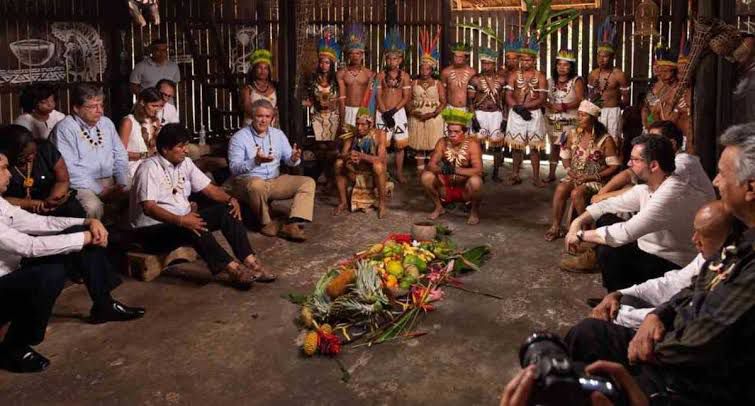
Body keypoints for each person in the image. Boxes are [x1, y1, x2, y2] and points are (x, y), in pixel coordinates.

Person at [564, 123, 755, 404]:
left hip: (689, 375)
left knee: (587, 355)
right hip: (673, 334)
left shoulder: (749, 264)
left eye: (723, 175)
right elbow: (690, 283)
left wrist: (642, 334)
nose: (715, 182)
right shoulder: (740, 239)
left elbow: (700, 340)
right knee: (586, 332)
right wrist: (652, 311)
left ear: (750, 188)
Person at [0, 152, 144, 373]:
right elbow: (29, 246)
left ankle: (103, 304)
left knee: (80, 233)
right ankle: (13, 347)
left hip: (14, 273)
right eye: (2, 168)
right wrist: (83, 238)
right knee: (50, 274)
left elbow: (39, 222)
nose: (9, 174)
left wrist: (87, 222)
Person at [562, 135, 712, 289]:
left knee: (608, 250)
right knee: (606, 218)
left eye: (635, 160)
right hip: (650, 250)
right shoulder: (650, 185)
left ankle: (620, 298)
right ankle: (619, 295)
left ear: (653, 165)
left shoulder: (671, 194)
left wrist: (580, 235)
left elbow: (625, 232)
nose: (629, 163)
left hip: (671, 264)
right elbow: (607, 205)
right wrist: (577, 222)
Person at [131, 124, 273, 286]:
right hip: (151, 232)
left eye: (186, 145)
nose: (186, 150)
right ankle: (233, 269)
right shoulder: (149, 168)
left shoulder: (185, 163)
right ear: (165, 149)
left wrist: (230, 199)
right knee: (192, 225)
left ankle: (251, 262)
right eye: (180, 146)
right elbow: (149, 208)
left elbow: (209, 189)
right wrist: (181, 220)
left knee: (227, 210)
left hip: (179, 222)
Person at [591, 200, 736, 329]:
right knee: (623, 299)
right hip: (672, 306)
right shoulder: (710, 255)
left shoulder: (735, 273)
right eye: (696, 232)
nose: (694, 239)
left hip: (690, 334)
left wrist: (621, 314)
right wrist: (619, 293)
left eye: (705, 235)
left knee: (591, 331)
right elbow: (675, 283)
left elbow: (688, 318)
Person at [228, 99, 313, 241]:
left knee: (308, 182)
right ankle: (266, 224)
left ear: (272, 118)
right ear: (252, 116)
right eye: (260, 116)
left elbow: (289, 160)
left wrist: (293, 158)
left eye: (267, 116)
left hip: (274, 180)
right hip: (247, 182)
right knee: (257, 184)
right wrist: (255, 161)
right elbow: (234, 169)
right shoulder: (239, 138)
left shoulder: (278, 134)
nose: (263, 120)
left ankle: (293, 223)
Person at [51, 84, 129, 220]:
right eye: (93, 107)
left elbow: (120, 155)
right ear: (76, 108)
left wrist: (121, 182)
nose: (100, 111)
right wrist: (100, 190)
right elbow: (69, 170)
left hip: (112, 179)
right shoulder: (65, 128)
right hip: (80, 184)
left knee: (139, 191)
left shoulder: (106, 123)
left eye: (101, 105)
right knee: (93, 207)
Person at [545, 101, 620, 242]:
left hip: (595, 179)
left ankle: (585, 230)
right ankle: (556, 226)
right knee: (561, 189)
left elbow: (614, 166)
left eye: (583, 115)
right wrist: (570, 171)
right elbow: (565, 156)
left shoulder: (605, 139)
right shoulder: (572, 134)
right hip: (575, 176)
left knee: (577, 193)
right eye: (578, 114)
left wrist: (591, 176)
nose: (579, 118)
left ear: (593, 118)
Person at [592, 120, 715, 204]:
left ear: (672, 144)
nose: (648, 145)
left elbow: (649, 189)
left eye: (654, 140)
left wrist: (604, 197)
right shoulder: (660, 159)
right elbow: (630, 173)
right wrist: (603, 192)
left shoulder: (682, 163)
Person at [0, 125, 85, 218]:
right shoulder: (3, 164)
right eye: (23, 156)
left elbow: (62, 180)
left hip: (51, 202)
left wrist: (52, 200)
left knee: (73, 210)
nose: (31, 157)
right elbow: (2, 199)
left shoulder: (46, 149)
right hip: (18, 209)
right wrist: (33, 204)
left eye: (33, 152)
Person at [421, 108, 483, 225]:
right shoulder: (442, 142)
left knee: (476, 182)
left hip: (465, 189)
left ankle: (474, 211)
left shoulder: (473, 144)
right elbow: (431, 165)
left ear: (464, 132)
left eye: (456, 131)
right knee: (426, 176)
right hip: (445, 188)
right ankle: (439, 207)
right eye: (449, 131)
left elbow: (479, 170)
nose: (452, 134)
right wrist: (442, 169)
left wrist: (455, 170)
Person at [504, 36, 548, 187]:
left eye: (528, 60)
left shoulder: (540, 76)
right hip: (517, 114)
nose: (525, 63)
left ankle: (536, 178)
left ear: (534, 60)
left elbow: (542, 98)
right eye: (522, 60)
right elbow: (508, 95)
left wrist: (526, 107)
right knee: (517, 147)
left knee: (535, 148)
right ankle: (515, 174)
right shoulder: (514, 75)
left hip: (534, 115)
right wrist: (517, 108)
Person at [333, 107, 388, 218]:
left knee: (378, 166)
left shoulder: (380, 134)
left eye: (363, 124)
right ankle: (343, 202)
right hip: (356, 171)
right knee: (338, 163)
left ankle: (382, 204)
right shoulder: (352, 134)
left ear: (370, 124)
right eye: (357, 124)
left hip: (372, 172)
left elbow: (381, 159)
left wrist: (362, 156)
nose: (359, 127)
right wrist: (349, 155)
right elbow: (342, 154)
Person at [376, 28, 412, 183]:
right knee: (382, 145)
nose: (392, 62)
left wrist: (393, 111)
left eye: (395, 59)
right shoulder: (380, 76)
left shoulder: (405, 76)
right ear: (386, 59)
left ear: (400, 59)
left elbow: (406, 97)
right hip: (382, 112)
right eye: (389, 59)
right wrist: (385, 112)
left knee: (400, 146)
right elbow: (378, 95)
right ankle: (382, 172)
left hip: (398, 113)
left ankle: (399, 173)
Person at [641, 42, 692, 152]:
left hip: (683, 140)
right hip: (663, 138)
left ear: (674, 71)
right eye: (660, 70)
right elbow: (650, 114)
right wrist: (650, 127)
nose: (661, 74)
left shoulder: (685, 91)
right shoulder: (659, 90)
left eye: (665, 71)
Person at [544, 49, 585, 183]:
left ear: (571, 67)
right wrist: (550, 106)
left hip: (570, 120)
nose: (562, 67)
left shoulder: (576, 80)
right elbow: (542, 98)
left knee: (569, 146)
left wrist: (563, 106)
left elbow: (580, 99)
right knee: (555, 146)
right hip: (553, 120)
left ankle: (573, 175)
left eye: (566, 65)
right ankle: (551, 174)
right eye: (559, 64)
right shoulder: (550, 81)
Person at [407, 28, 445, 174]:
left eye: (427, 69)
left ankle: (432, 169)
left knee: (433, 144)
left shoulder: (438, 84)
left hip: (434, 117)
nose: (424, 72)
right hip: (416, 115)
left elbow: (443, 101)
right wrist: (413, 112)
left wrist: (433, 114)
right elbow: (408, 100)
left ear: (432, 70)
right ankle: (420, 171)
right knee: (419, 144)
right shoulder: (413, 83)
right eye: (422, 69)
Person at [588, 17, 630, 145]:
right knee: (596, 142)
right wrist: (595, 91)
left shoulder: (619, 75)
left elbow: (626, 100)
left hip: (613, 112)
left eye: (605, 56)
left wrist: (615, 108)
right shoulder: (593, 74)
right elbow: (590, 98)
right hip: (597, 112)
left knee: (613, 142)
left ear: (612, 57)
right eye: (599, 56)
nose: (601, 60)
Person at [468, 46, 506, 180]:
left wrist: (504, 119)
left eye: (489, 63)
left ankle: (496, 172)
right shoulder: (475, 79)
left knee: (497, 145)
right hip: (480, 113)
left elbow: (504, 101)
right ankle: (480, 171)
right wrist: (473, 118)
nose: (486, 66)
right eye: (484, 63)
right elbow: (470, 101)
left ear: (494, 64)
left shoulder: (502, 80)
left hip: (496, 114)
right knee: (478, 144)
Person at [492, 35, 520, 183]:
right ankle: (496, 168)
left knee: (517, 141)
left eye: (514, 58)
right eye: (508, 58)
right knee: (498, 138)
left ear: (519, 59)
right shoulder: (499, 73)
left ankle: (516, 171)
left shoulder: (521, 74)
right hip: (500, 109)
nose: (511, 61)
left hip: (516, 110)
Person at [304, 29, 341, 143]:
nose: (323, 65)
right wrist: (309, 103)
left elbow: (341, 99)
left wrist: (333, 103)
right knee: (320, 146)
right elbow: (310, 99)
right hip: (318, 117)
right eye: (321, 62)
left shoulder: (336, 79)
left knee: (331, 145)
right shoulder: (313, 80)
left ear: (331, 64)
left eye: (327, 62)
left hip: (333, 117)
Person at [337, 23, 375, 129]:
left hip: (363, 110)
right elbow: (341, 99)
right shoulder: (342, 73)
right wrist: (342, 118)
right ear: (348, 55)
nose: (355, 56)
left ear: (362, 55)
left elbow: (372, 98)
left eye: (357, 53)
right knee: (348, 137)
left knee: (363, 138)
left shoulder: (369, 74)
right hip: (348, 110)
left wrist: (371, 116)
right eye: (352, 53)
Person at [119, 87, 163, 178]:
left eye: (159, 106)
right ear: (142, 102)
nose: (157, 110)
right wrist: (145, 155)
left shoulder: (156, 122)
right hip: (134, 170)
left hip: (154, 167)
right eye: (153, 106)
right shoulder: (129, 122)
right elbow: (121, 154)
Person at [241, 49, 278, 127]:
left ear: (269, 71)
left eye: (265, 68)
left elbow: (276, 109)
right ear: (254, 70)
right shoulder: (248, 89)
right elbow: (247, 108)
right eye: (259, 68)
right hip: (251, 127)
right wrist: (263, 119)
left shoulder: (274, 88)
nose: (262, 71)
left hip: (270, 127)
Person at [440, 42, 476, 112]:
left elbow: (475, 93)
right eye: (455, 56)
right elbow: (443, 92)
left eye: (460, 57)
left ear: (466, 58)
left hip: (467, 109)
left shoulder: (472, 72)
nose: (457, 59)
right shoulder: (446, 72)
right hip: (450, 108)